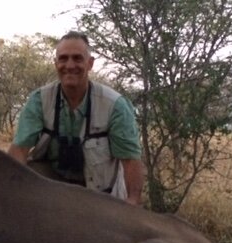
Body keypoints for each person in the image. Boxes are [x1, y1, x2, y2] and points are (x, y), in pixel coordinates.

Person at [8, 31, 145, 206]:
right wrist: (10, 190)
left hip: (100, 193)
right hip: (53, 185)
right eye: (63, 59)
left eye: (77, 58)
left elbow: (130, 160)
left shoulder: (115, 105)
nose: (70, 65)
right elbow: (19, 150)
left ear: (90, 63)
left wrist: (133, 202)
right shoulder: (39, 100)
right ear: (56, 63)